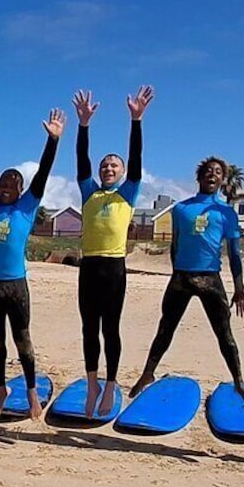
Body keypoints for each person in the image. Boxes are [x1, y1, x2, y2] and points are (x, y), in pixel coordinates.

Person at [0, 108, 65, 420]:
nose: (7, 185)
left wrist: (53, 141)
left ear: (20, 190)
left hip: (16, 286)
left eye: (14, 183)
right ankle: (1, 388)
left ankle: (31, 391)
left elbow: (43, 172)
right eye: (4, 180)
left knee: (23, 342)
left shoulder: (27, 207)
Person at [129, 157, 244, 408]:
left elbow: (234, 253)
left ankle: (239, 381)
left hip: (210, 278)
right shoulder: (180, 209)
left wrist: (239, 289)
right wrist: (177, 273)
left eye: (218, 172)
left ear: (222, 180)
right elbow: (175, 245)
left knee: (225, 334)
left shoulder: (226, 212)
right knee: (165, 328)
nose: (212, 175)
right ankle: (148, 372)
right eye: (208, 171)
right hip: (181, 277)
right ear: (199, 178)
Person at [73, 86, 153, 418]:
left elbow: (136, 161)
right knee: (89, 328)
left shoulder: (128, 192)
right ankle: (92, 384)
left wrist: (136, 121)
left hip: (114, 269)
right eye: (105, 165)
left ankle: (110, 384)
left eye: (113, 166)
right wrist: (83, 125)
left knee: (111, 329)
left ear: (121, 174)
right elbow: (81, 159)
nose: (108, 168)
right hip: (88, 267)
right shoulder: (89, 190)